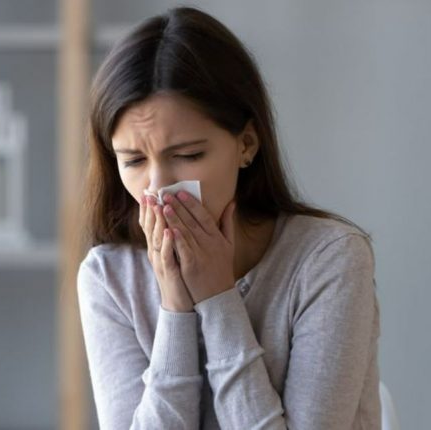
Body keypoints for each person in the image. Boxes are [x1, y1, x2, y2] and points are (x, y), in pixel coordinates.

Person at [77, 6, 381, 429]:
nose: (157, 187)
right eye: (133, 161)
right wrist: (175, 310)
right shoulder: (109, 277)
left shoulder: (329, 260)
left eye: (188, 156)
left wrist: (218, 299)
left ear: (247, 144)